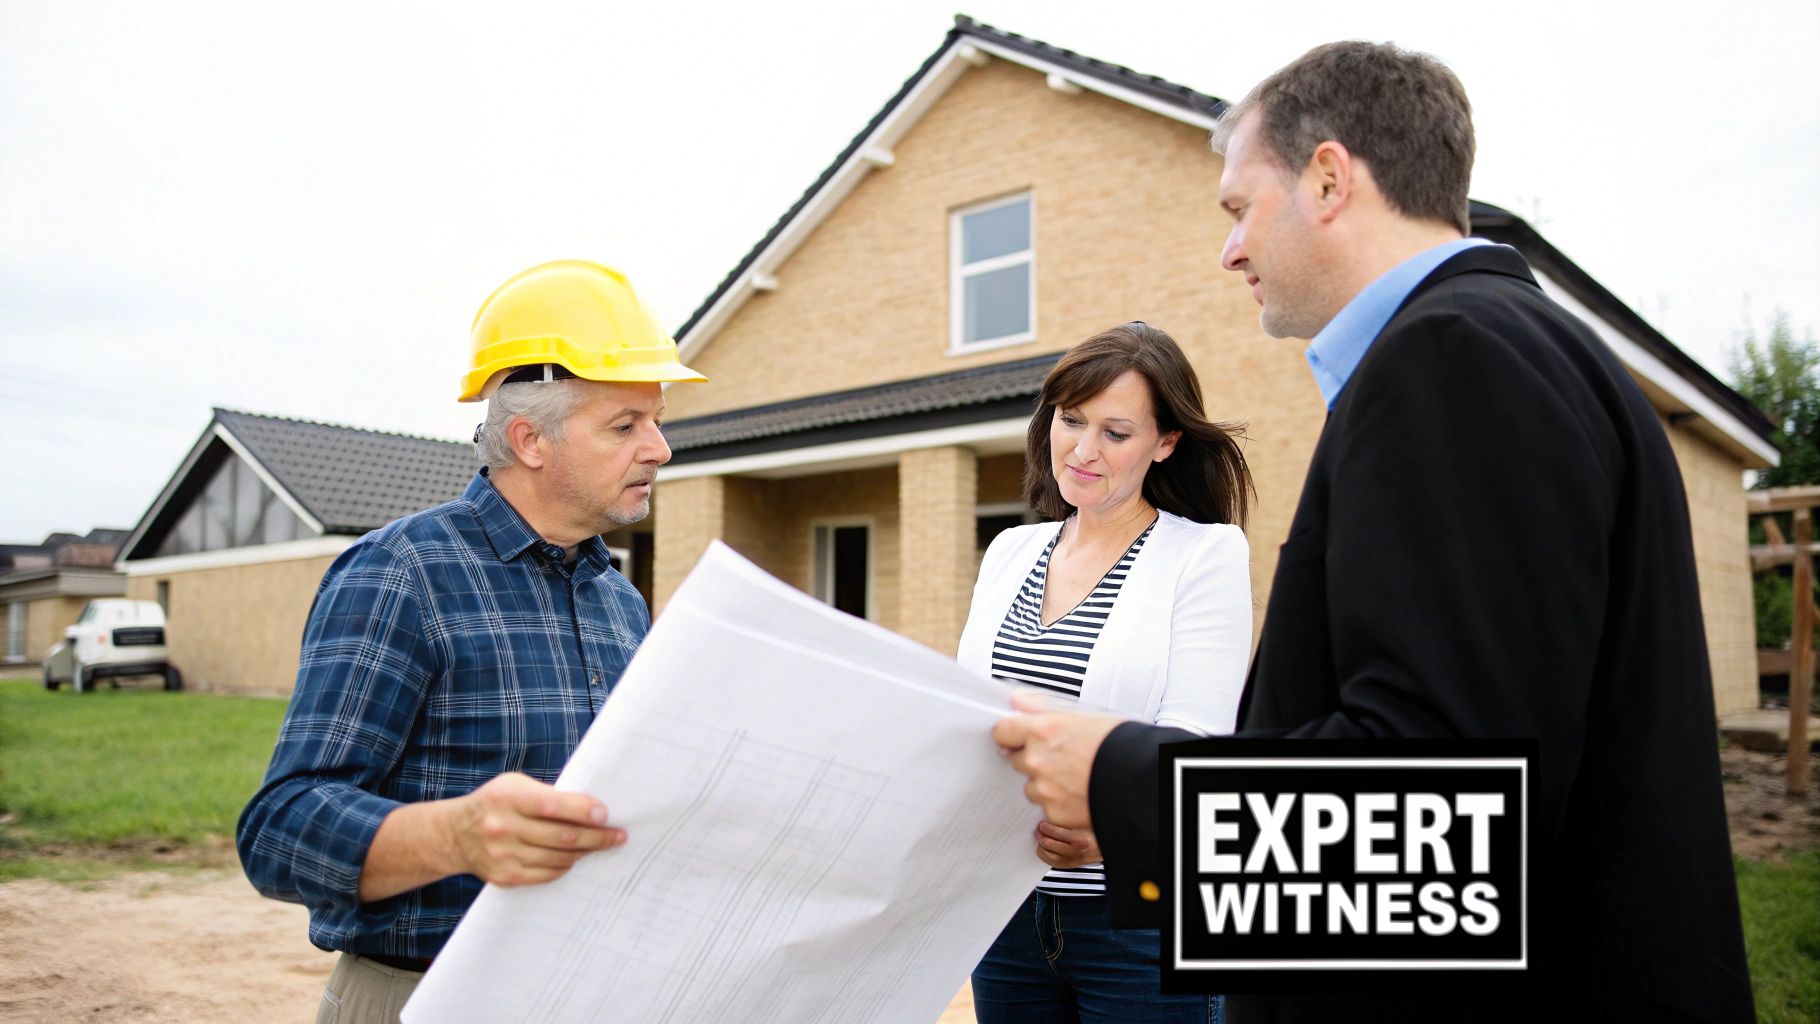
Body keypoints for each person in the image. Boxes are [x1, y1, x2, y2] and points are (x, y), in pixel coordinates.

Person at [991, 42, 1755, 1021]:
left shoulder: (1455, 358)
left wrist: (1118, 787)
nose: (1228, 251)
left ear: (1325, 178)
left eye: (1237, 208)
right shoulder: (1509, 346)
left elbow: (1444, 819)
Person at [236, 260, 706, 1023]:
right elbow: (278, 832)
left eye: (655, 421)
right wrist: (456, 836)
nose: (659, 449)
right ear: (530, 440)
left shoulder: (617, 597)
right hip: (425, 996)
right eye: (625, 426)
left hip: (589, 992)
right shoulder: (402, 573)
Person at [960, 322, 1253, 1022]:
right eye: (1070, 421)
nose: (1083, 451)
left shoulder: (1204, 555)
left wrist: (1113, 823)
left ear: (1166, 441)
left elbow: (1201, 743)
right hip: (1002, 912)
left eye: (1116, 433)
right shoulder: (1009, 550)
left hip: (1139, 922)